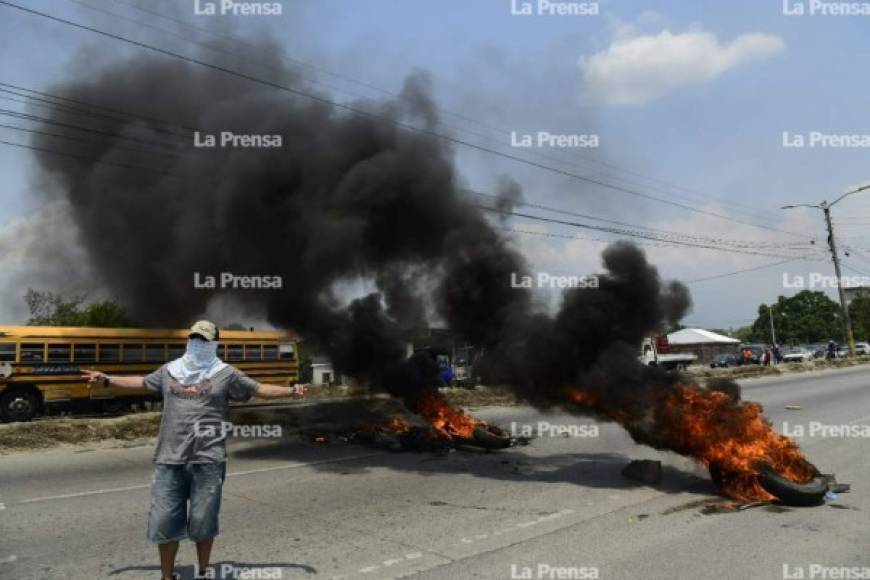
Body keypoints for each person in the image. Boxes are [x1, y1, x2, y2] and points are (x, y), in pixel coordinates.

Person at [82, 321, 306, 580]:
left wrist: (292, 389)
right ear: (189, 341)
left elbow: (259, 390)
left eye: (204, 340)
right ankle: (167, 576)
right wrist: (107, 380)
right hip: (170, 459)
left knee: (203, 522)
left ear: (214, 344)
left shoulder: (226, 374)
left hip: (207, 460)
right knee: (164, 522)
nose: (198, 345)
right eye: (194, 339)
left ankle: (203, 573)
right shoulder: (170, 371)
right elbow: (141, 382)